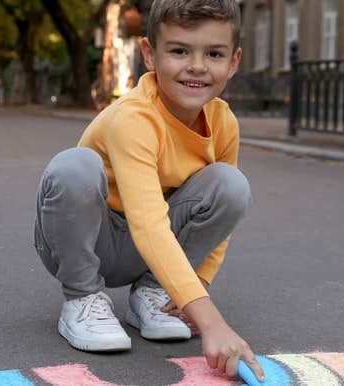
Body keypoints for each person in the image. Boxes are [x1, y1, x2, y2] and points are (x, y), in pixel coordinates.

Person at [33, 0, 265, 382]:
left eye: (214, 53)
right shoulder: (134, 117)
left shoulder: (223, 122)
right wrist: (213, 323)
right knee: (75, 166)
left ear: (234, 61)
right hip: (89, 239)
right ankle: (82, 299)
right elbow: (148, 224)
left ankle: (155, 296)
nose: (197, 66)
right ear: (149, 55)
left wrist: (196, 289)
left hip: (147, 254)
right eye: (179, 50)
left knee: (231, 185)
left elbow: (220, 224)